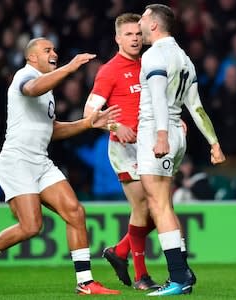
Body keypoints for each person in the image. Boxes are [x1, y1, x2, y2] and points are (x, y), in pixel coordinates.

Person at [0, 37, 121, 296]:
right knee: (31, 226)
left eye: (54, 49)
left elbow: (51, 129)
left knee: (75, 212)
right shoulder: (23, 77)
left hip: (40, 161)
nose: (53, 53)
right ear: (32, 58)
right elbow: (32, 88)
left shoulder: (47, 91)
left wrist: (87, 123)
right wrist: (69, 68)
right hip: (17, 161)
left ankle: (85, 282)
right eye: (47, 50)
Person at [137, 4, 226, 296]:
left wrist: (161, 136)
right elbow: (196, 107)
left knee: (159, 205)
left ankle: (178, 277)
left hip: (158, 132)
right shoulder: (184, 58)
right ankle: (183, 273)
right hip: (177, 133)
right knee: (165, 204)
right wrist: (214, 142)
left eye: (144, 17)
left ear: (154, 25)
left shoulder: (154, 55)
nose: (139, 21)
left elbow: (160, 98)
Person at [83, 13, 161, 290]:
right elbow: (89, 113)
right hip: (124, 147)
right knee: (143, 207)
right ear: (118, 38)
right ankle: (141, 276)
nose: (135, 39)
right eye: (129, 34)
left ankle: (119, 251)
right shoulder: (109, 71)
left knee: (160, 209)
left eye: (138, 34)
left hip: (151, 145)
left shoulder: (149, 64)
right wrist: (116, 126)